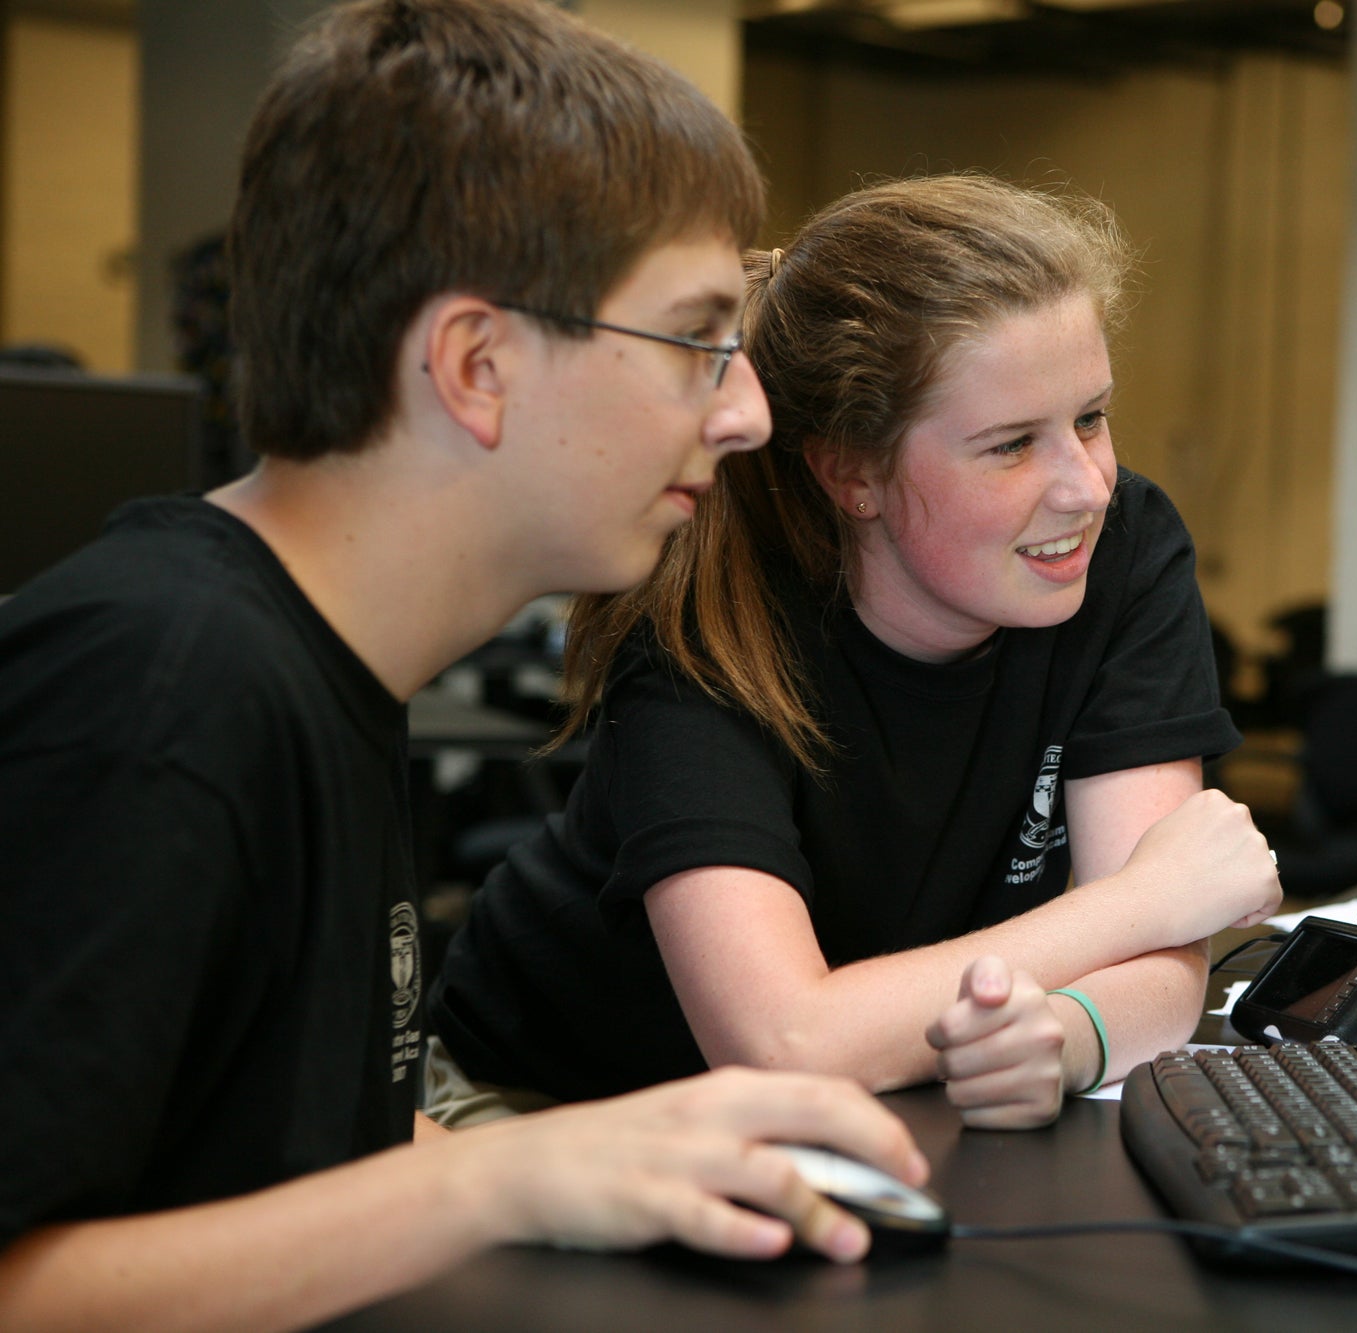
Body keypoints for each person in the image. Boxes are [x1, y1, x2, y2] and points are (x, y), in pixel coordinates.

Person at [0, 3, 929, 1328]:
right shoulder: (164, 694)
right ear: (477, 367)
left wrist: (606, 1169)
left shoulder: (322, 672)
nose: (747, 412)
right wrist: (508, 1180)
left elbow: (271, 1152)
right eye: (697, 339)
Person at [428, 175, 1284, 1132]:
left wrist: (1071, 1036)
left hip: (884, 1088)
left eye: (1090, 418)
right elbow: (787, 1044)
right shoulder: (709, 628)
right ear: (852, 471)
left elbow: (1156, 974)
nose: (1084, 487)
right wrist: (1142, 900)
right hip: (551, 1105)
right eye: (1010, 446)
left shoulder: (1116, 549)